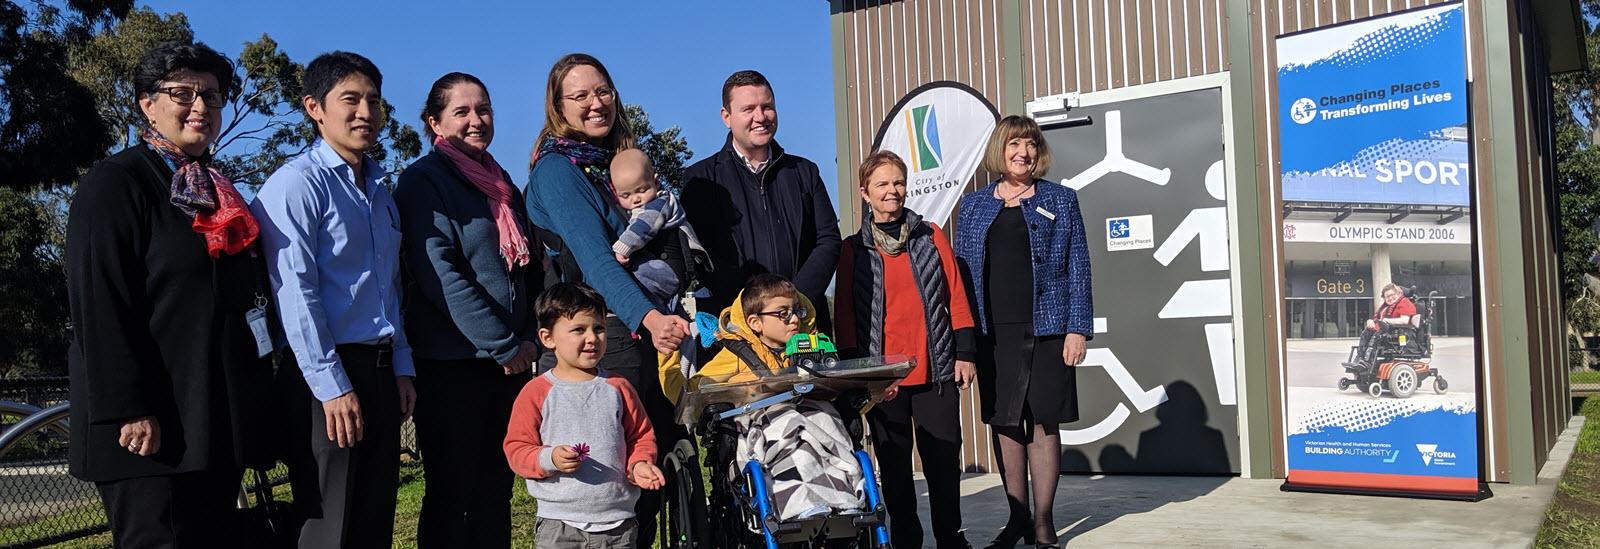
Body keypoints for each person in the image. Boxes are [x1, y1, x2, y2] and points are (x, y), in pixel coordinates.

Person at [66, 41, 274, 548]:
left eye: (213, 95)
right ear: (146, 103)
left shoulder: (215, 186)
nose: (201, 107)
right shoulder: (116, 183)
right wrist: (128, 407)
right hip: (145, 426)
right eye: (183, 93)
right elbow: (100, 301)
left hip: (208, 418)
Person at [523, 52, 692, 546]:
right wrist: (652, 318)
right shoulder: (558, 172)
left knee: (654, 467)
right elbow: (597, 261)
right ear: (558, 106)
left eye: (602, 92)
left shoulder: (612, 165)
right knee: (622, 484)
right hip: (611, 333)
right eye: (580, 96)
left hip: (642, 328)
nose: (595, 104)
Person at [252, 51, 416, 549]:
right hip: (325, 373)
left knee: (374, 518)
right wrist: (330, 385)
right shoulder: (297, 183)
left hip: (382, 371)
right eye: (350, 99)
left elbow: (389, 284)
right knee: (330, 523)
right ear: (314, 108)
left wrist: (402, 365)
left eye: (373, 100)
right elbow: (294, 293)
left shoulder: (380, 188)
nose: (365, 112)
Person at [394, 72, 541, 548]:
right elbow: (440, 274)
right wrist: (501, 344)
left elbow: (527, 269)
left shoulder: (500, 183)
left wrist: (530, 337)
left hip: (510, 365)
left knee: (496, 491)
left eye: (483, 109)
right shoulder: (423, 181)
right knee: (451, 494)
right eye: (462, 111)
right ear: (435, 123)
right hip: (453, 366)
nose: (476, 120)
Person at [953, 115, 1093, 549]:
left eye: (1031, 145)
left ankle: (1044, 523)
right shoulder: (974, 206)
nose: (1024, 153)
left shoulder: (1062, 200)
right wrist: (965, 342)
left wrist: (1078, 328)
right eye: (1015, 144)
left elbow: (1079, 267)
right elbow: (959, 276)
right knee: (1005, 424)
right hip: (995, 333)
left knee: (1043, 424)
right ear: (1001, 149)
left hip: (1049, 329)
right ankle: (1016, 518)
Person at [835, 151, 977, 549]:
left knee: (943, 464)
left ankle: (952, 537)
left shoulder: (930, 235)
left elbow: (956, 295)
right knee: (895, 469)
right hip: (884, 378)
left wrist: (965, 352)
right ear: (865, 193)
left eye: (898, 182)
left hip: (935, 370)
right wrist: (856, 373)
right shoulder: (852, 250)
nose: (892, 191)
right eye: (882, 184)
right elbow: (844, 315)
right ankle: (907, 541)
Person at [693, 274, 866, 522]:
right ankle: (803, 501)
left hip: (811, 416)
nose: (794, 319)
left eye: (796, 311)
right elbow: (696, 390)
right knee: (791, 423)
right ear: (755, 322)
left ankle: (844, 498)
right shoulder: (734, 357)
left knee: (824, 416)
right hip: (763, 425)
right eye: (782, 313)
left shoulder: (813, 348)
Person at [504, 283, 664, 548]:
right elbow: (516, 448)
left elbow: (641, 437)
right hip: (559, 523)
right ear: (548, 338)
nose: (592, 338)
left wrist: (639, 465)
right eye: (579, 329)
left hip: (618, 524)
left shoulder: (619, 387)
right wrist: (549, 458)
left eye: (598, 328)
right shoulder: (536, 392)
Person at [681, 69, 842, 332]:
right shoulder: (700, 179)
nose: (760, 117)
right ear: (726, 117)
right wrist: (756, 311)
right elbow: (701, 256)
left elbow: (828, 240)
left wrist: (792, 303)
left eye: (767, 107)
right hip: (735, 330)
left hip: (803, 323)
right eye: (748, 109)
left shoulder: (804, 172)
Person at [1356, 283, 1418, 363]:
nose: (1390, 298)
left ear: (1399, 293)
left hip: (1400, 334)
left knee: (1377, 336)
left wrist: (1386, 321)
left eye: (1392, 295)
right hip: (1385, 332)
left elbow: (1405, 320)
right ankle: (1360, 358)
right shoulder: (1385, 307)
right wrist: (1370, 321)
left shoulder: (1404, 302)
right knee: (1366, 333)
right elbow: (1376, 319)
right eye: (1387, 297)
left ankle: (1367, 361)